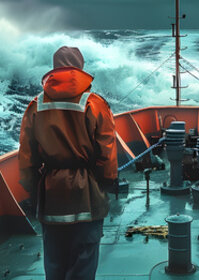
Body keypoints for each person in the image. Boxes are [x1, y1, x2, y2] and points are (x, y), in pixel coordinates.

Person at [19, 46, 117, 280]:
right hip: (86, 194)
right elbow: (107, 154)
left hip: (51, 194)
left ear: (55, 69)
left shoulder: (36, 105)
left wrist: (35, 191)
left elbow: (27, 158)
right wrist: (105, 184)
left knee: (54, 262)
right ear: (79, 67)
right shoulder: (94, 104)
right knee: (84, 259)